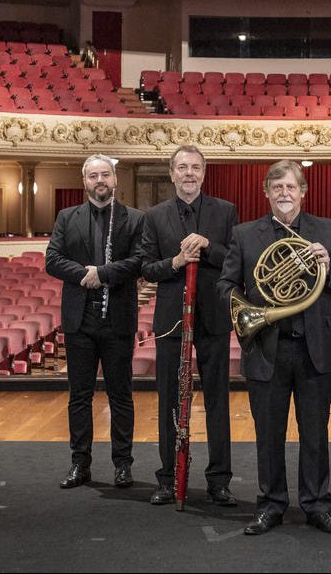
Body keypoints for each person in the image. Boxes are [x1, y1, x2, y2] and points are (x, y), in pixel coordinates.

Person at [217, 160, 331, 536]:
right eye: (276, 187)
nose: (284, 193)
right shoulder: (245, 234)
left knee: (315, 433)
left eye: (291, 187)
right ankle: (271, 504)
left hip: (314, 348)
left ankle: (316, 505)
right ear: (266, 192)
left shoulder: (325, 231)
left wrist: (328, 265)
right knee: (269, 433)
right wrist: (248, 308)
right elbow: (225, 285)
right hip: (267, 347)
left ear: (303, 192)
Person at [141, 145, 238, 506]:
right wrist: (179, 260)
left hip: (213, 316)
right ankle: (168, 478)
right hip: (171, 320)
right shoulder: (153, 216)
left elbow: (233, 259)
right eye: (182, 167)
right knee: (169, 398)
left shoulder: (224, 211)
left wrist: (208, 246)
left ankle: (219, 481)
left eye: (195, 167)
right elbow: (147, 268)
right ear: (171, 173)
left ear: (204, 171)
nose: (189, 173)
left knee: (217, 401)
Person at [46, 154, 145, 489]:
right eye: (93, 176)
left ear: (115, 179)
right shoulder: (66, 217)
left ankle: (122, 464)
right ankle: (80, 464)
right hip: (80, 321)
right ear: (84, 180)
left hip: (117, 320)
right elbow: (53, 260)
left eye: (105, 175)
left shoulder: (134, 219)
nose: (100, 181)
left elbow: (139, 262)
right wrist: (85, 276)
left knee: (121, 395)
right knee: (79, 396)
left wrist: (102, 274)